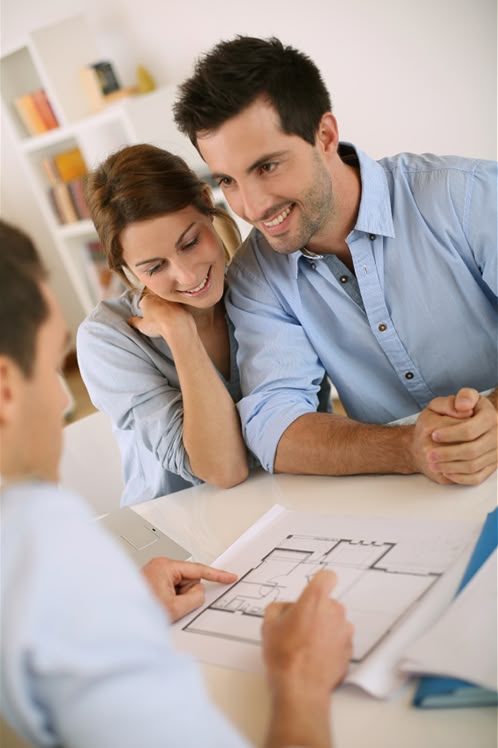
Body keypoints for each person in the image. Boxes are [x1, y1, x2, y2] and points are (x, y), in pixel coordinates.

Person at [0, 220, 353, 748]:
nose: (62, 402)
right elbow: (224, 468)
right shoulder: (49, 556)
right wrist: (301, 676)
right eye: (53, 368)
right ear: (5, 390)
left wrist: (119, 610)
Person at [173, 35, 498, 487]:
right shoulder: (255, 275)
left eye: (267, 167)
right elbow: (273, 426)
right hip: (410, 494)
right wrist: (408, 447)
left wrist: (490, 421)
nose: (252, 206)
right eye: (228, 180)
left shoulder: (466, 195)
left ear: (324, 135)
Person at [77, 143, 332, 505]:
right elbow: (223, 470)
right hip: (182, 523)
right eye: (155, 267)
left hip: (296, 498)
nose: (187, 275)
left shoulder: (266, 283)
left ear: (205, 201)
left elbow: (311, 423)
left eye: (190, 242)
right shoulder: (107, 338)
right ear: (126, 269)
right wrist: (180, 334)